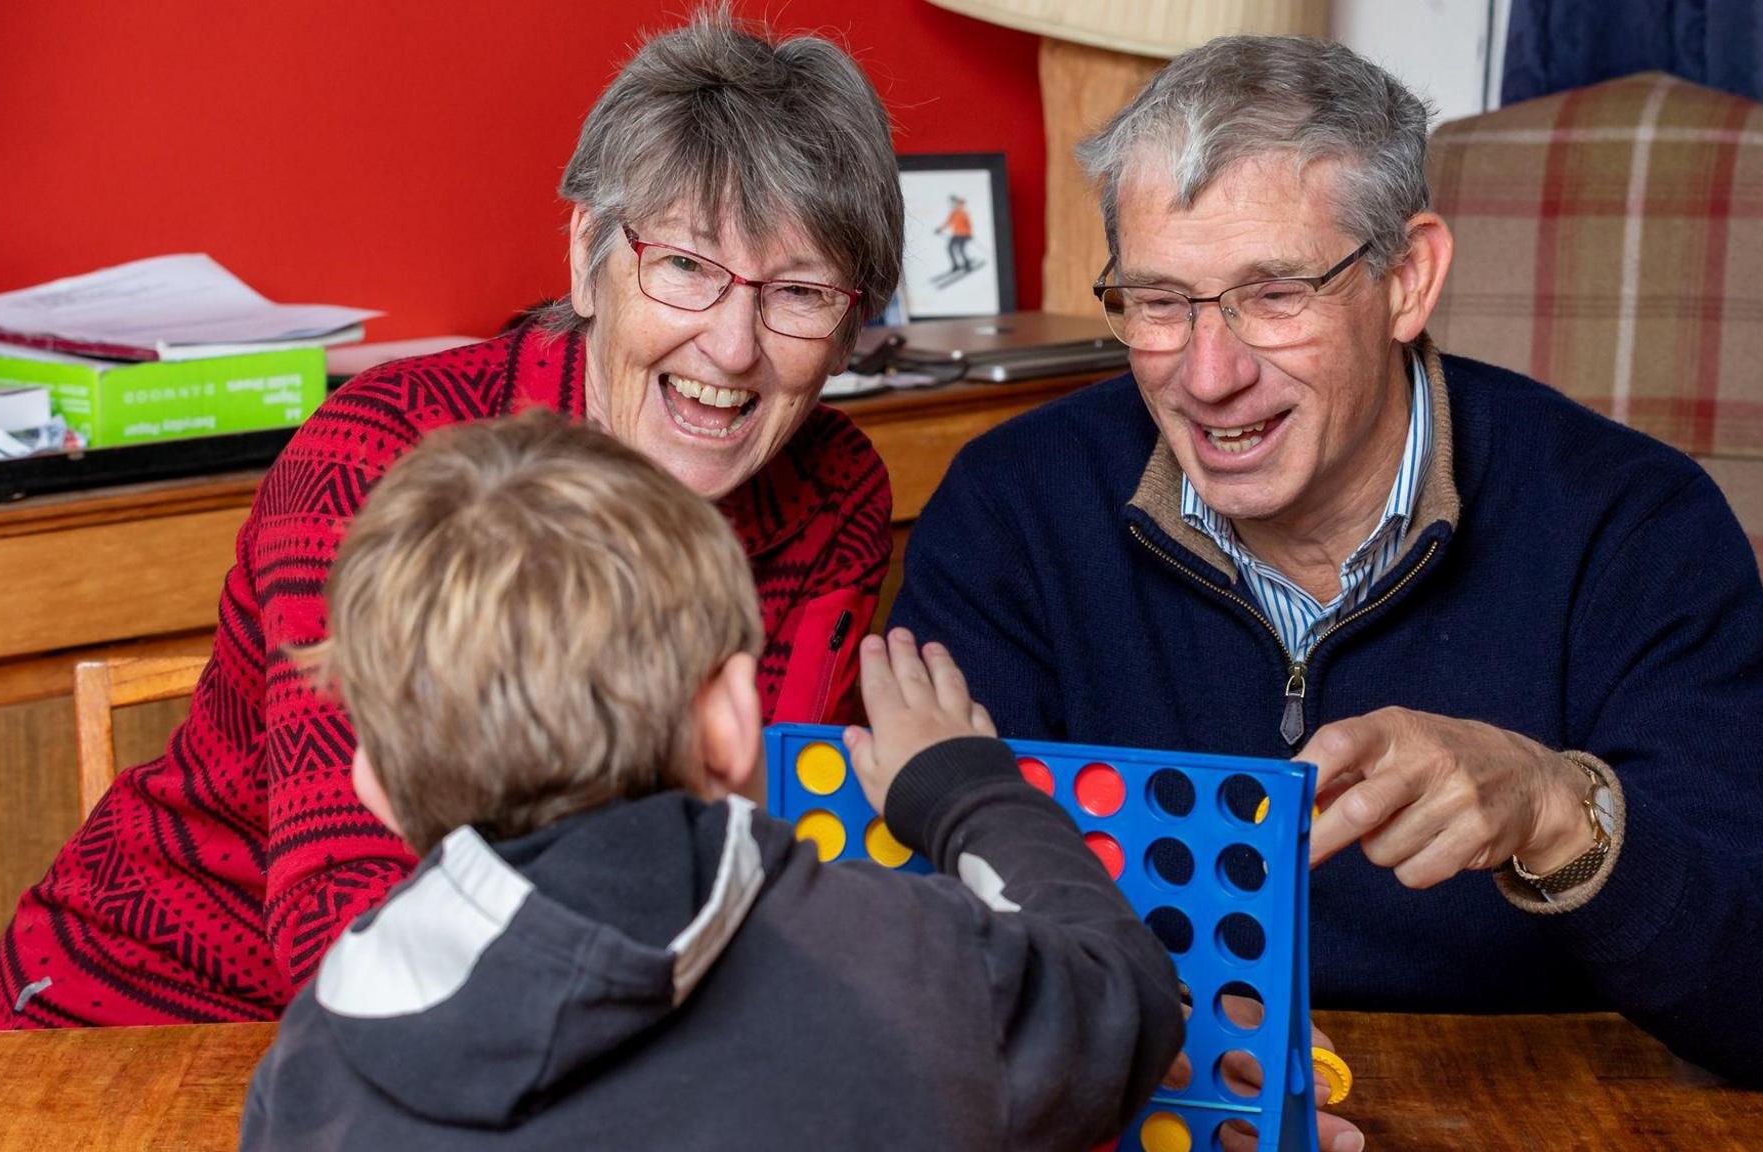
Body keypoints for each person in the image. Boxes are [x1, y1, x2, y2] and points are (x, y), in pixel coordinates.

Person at [890, 33, 1763, 1098]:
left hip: (1529, 1114)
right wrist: (1187, 1050)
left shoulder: (1633, 526)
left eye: (1272, 295)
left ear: (1407, 278)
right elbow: (926, 944)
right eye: (1159, 302)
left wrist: (1555, 811)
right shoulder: (1008, 512)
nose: (1207, 376)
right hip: (1146, 1102)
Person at [0, 10, 904, 1029]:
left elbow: (758, 842)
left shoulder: (831, 491)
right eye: (684, 266)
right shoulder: (383, 463)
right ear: (588, 248)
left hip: (567, 1029)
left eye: (799, 292)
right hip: (152, 1028)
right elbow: (353, 926)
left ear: (850, 325)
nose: (731, 347)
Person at [237, 412, 1184, 1151]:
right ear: (734, 718)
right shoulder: (910, 966)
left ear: (374, 779)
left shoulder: (320, 1056)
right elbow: (1123, 1004)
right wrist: (965, 784)